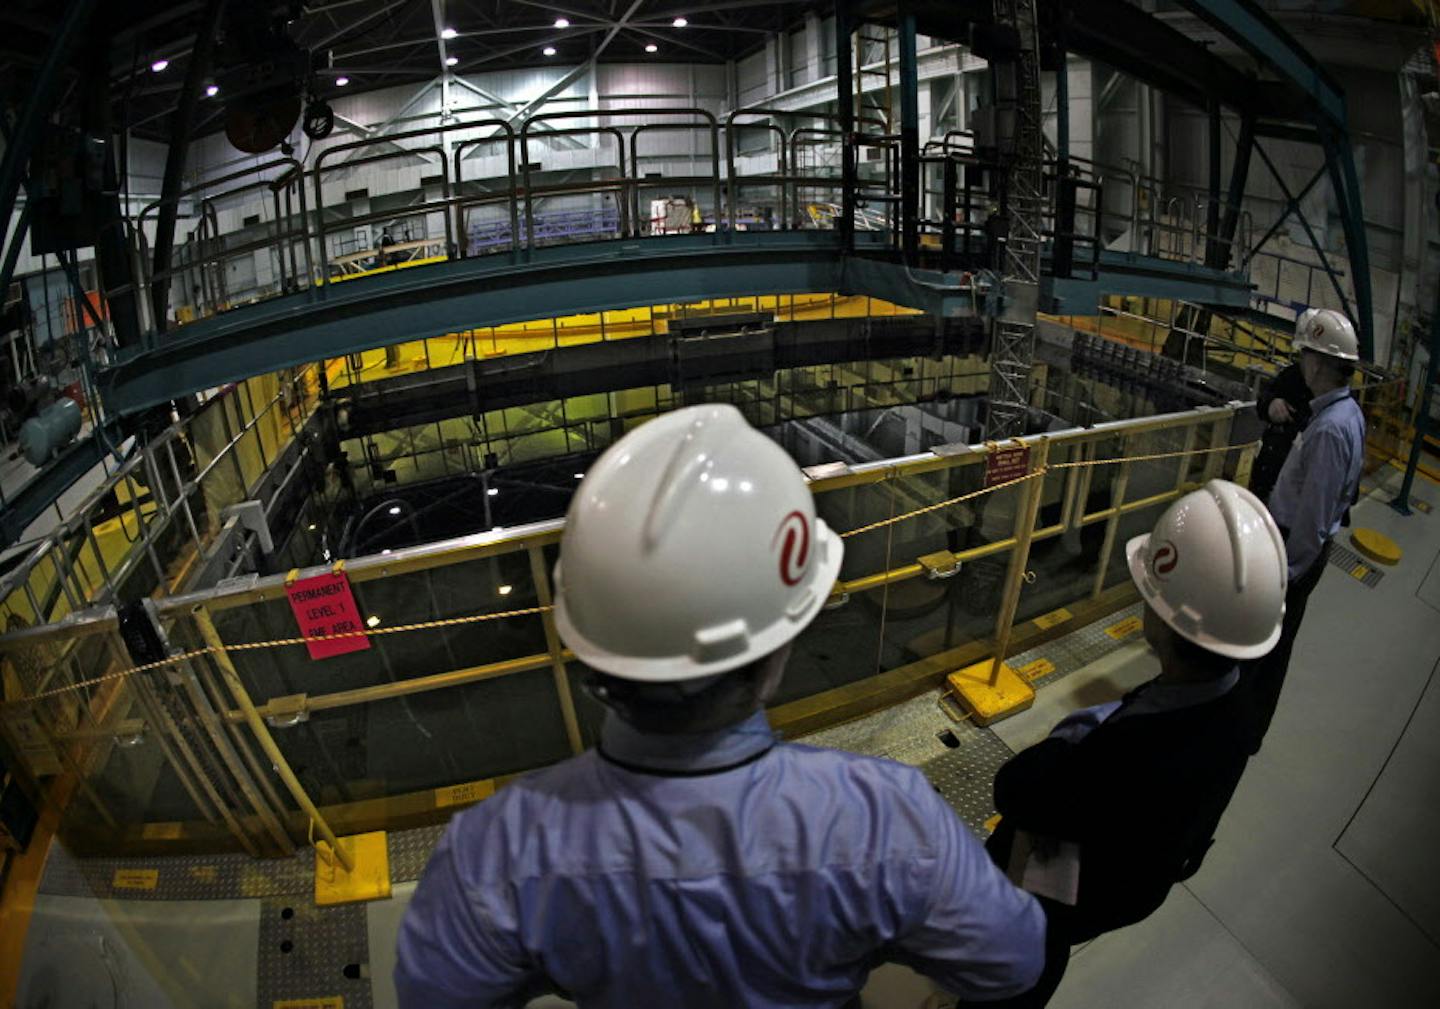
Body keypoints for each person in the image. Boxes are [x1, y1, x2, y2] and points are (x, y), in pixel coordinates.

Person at [395, 404, 1046, 1009]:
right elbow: (1011, 960)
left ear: (586, 641)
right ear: (780, 638)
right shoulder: (887, 821)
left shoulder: (493, 852)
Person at [981, 480, 1288, 1008]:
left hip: (1046, 916)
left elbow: (1014, 791)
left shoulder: (1133, 752)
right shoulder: (1236, 712)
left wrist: (1068, 738)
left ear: (1167, 621)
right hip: (1120, 893)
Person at [1246, 308, 1365, 750]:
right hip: (1294, 550)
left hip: (1292, 555)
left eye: (1305, 358)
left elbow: (1312, 519)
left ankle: (1246, 732)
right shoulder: (1346, 413)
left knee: (1267, 651)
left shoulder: (1330, 430)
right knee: (1270, 649)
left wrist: (1284, 576)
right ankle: (1247, 726)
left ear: (1317, 362)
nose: (1301, 365)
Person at [1249, 309, 1323, 503]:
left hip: (1294, 495)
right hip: (1267, 474)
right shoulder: (1292, 376)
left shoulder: (1330, 404)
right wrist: (1270, 404)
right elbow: (1264, 398)